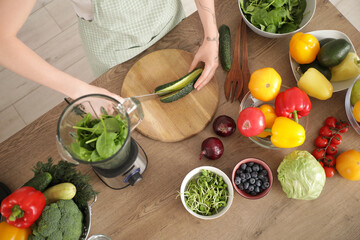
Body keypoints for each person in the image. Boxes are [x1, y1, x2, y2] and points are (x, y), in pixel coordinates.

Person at [0, 0, 219, 102]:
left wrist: (211, 36)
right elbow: (3, 40)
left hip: (171, 22)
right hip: (113, 52)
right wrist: (80, 91)